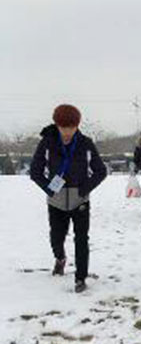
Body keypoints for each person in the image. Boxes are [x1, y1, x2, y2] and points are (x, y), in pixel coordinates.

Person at [30, 104, 107, 293]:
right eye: (63, 127)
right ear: (57, 125)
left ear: (77, 126)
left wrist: (84, 189)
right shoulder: (47, 143)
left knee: (81, 239)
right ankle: (60, 258)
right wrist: (49, 189)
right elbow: (35, 171)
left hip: (80, 200)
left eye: (71, 127)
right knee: (57, 237)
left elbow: (100, 171)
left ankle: (80, 277)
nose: (67, 132)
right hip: (56, 200)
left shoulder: (86, 143)